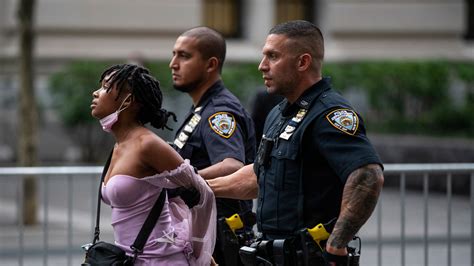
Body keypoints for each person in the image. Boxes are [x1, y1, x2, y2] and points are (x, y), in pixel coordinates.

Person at [208, 20, 384, 266]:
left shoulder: (329, 113)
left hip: (309, 257)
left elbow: (368, 175)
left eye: (273, 56)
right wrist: (198, 186)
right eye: (264, 56)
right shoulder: (279, 113)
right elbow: (259, 176)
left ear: (303, 62)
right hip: (271, 256)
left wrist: (336, 245)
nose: (262, 66)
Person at [90, 63, 216, 265]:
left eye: (105, 87)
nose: (96, 93)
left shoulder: (147, 145)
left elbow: (201, 193)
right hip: (130, 260)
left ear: (128, 100)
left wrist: (197, 251)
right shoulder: (120, 145)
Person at [169, 26, 257, 265]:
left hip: (219, 239)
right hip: (203, 234)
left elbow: (232, 165)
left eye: (184, 56)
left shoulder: (218, 111)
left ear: (211, 65)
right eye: (174, 54)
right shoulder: (202, 107)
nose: (173, 64)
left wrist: (179, 181)